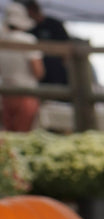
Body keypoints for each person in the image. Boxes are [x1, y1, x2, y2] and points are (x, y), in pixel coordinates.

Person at [0, 2, 42, 132]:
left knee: (9, 134)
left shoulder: (3, 40)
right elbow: (38, 71)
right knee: (23, 135)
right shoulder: (28, 40)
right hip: (26, 93)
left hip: (6, 93)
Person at [24, 0, 67, 86]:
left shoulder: (54, 24)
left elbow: (67, 45)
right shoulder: (30, 28)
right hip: (41, 73)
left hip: (57, 71)